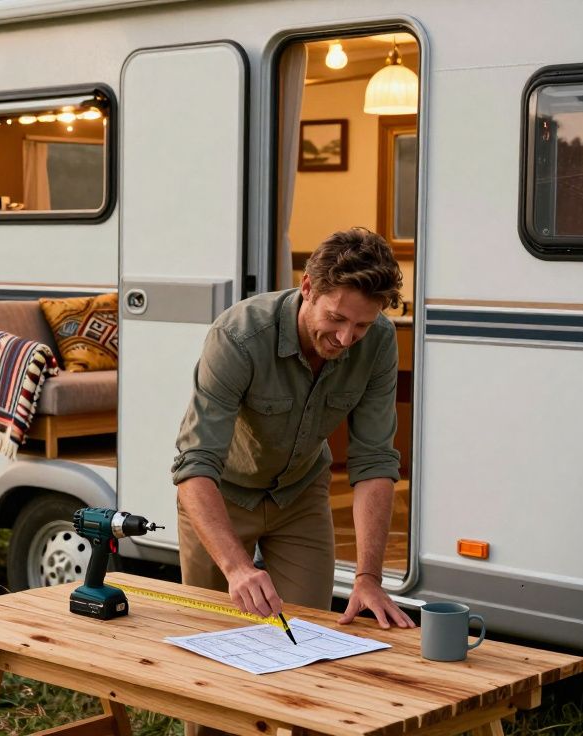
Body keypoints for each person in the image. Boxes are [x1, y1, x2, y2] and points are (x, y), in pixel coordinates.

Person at [171, 227, 414, 635]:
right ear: (307, 287)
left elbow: (374, 461)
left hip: (300, 495)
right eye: (336, 318)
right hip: (223, 495)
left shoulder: (379, 343)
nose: (345, 338)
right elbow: (194, 465)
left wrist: (368, 577)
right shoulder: (238, 336)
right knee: (211, 637)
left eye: (361, 326)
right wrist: (236, 568)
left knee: (306, 636)